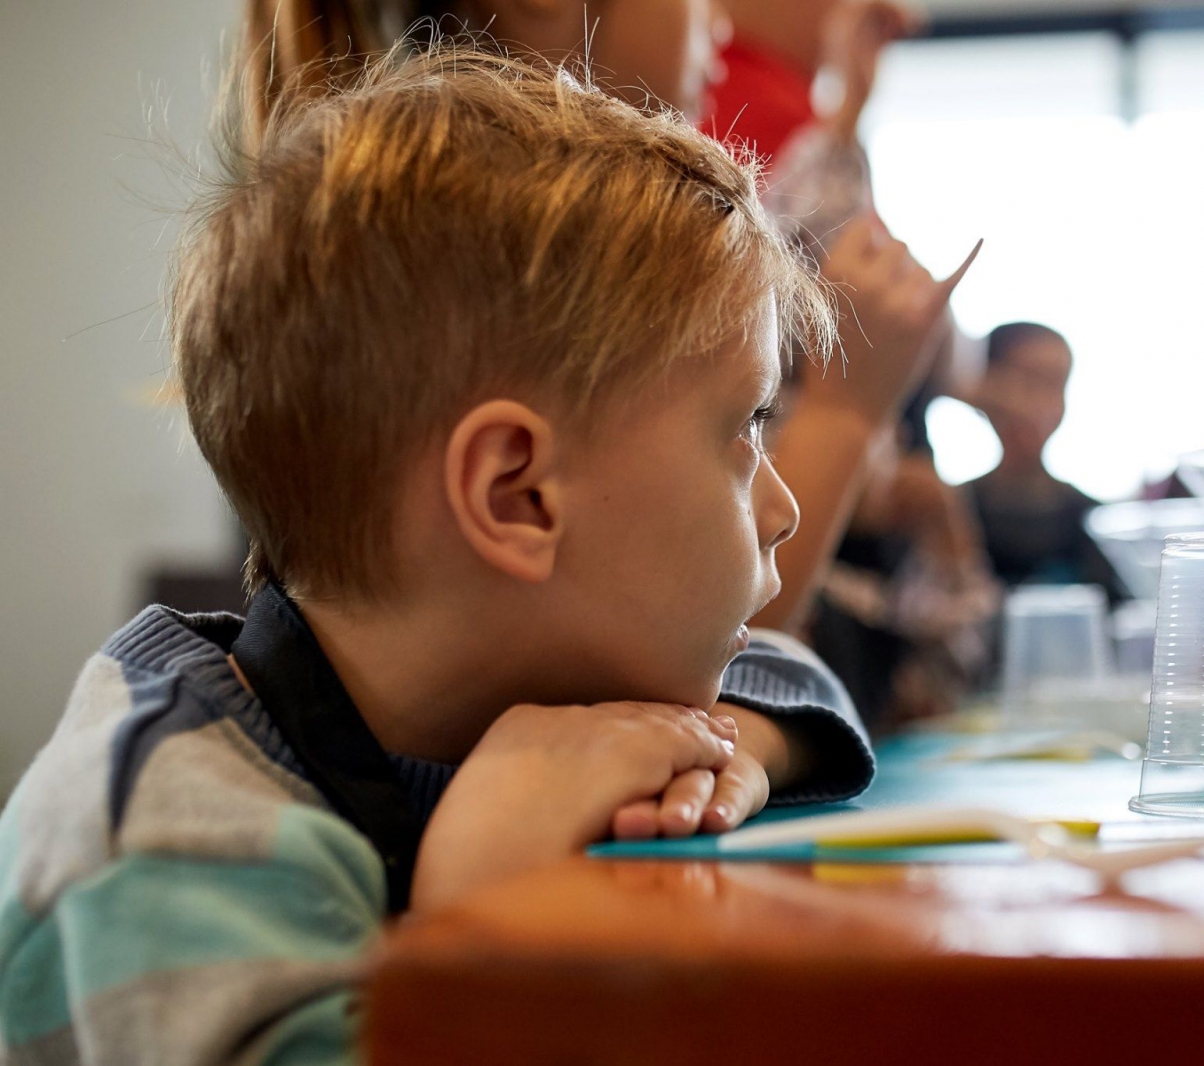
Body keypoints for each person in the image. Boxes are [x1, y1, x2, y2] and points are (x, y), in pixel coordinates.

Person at [0, 47, 878, 1061]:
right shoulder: (163, 834)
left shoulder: (507, 666)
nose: (781, 506)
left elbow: (799, 682)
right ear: (516, 494)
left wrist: (729, 755)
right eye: (743, 429)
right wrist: (479, 896)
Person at [239, 0, 970, 638]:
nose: (716, 19)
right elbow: (710, 614)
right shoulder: (527, 245)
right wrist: (844, 412)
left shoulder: (420, 225)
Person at [964, 322, 1123, 599]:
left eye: (1057, 384)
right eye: (1030, 381)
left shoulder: (1094, 521)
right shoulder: (951, 511)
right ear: (985, 387)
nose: (1042, 401)